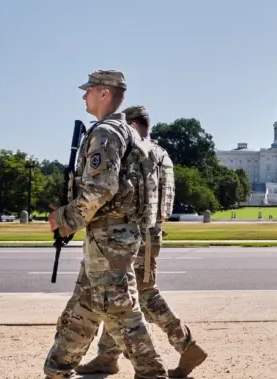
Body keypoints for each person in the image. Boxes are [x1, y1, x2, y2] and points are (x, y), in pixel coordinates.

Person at [43, 70, 167, 379]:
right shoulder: (126, 132)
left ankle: (152, 372)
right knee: (84, 306)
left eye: (89, 90)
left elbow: (100, 188)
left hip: (110, 237)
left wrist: (65, 219)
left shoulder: (107, 133)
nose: (84, 95)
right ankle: (57, 368)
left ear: (104, 94)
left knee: (121, 310)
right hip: (115, 234)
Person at [73, 105, 207, 377]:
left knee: (140, 295)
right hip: (148, 231)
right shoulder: (160, 153)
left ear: (132, 126)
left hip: (135, 231)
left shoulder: (138, 151)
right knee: (119, 297)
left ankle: (185, 345)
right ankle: (107, 356)